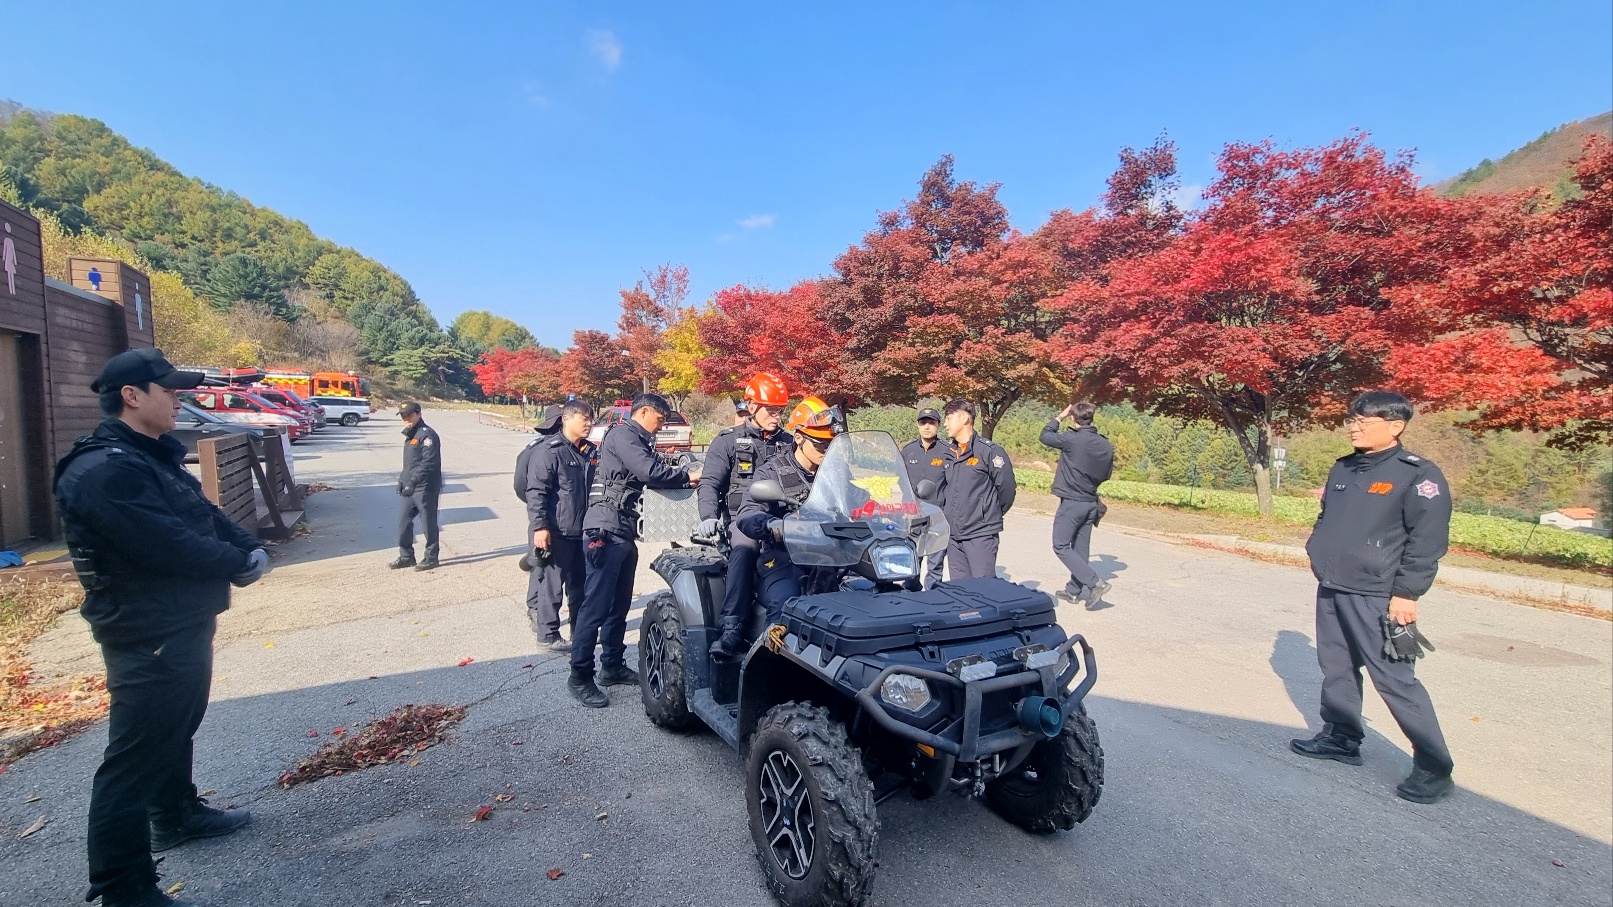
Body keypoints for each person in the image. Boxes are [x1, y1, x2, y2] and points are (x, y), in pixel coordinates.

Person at [54, 348, 268, 907]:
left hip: (179, 619)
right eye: (168, 390)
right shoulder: (104, 471)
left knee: (177, 724)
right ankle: (123, 887)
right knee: (136, 755)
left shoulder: (148, 457)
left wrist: (247, 547)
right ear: (132, 396)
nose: (179, 399)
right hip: (145, 627)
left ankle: (175, 814)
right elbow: (164, 543)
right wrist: (235, 562)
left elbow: (203, 515)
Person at [1290, 390, 1456, 805]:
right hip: (1334, 585)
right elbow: (1327, 516)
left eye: (1364, 421)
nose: (1354, 427)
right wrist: (1317, 548)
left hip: (1379, 594)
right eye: (1352, 420)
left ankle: (1434, 766)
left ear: (1396, 426)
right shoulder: (1344, 468)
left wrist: (1407, 593)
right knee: (1337, 668)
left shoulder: (1417, 475)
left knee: (1395, 679)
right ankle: (1341, 737)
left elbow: (1427, 540)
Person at [568, 393, 700, 707]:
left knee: (619, 605)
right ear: (644, 412)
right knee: (595, 607)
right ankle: (580, 675)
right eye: (660, 419)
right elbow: (649, 472)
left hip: (623, 529)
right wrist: (687, 476)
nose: (662, 425)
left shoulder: (639, 439)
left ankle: (611, 665)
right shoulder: (623, 435)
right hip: (605, 528)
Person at [703, 373, 794, 658]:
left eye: (781, 411)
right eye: (771, 410)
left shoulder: (790, 443)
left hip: (784, 520)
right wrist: (708, 516)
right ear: (752, 407)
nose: (777, 417)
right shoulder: (728, 441)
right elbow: (710, 483)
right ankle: (732, 626)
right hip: (742, 520)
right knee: (744, 549)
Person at [733, 396, 841, 628]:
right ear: (799, 438)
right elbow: (747, 512)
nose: (826, 449)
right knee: (786, 604)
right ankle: (772, 651)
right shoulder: (772, 472)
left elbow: (861, 500)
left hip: (837, 556)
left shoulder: (838, 472)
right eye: (820, 443)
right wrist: (771, 524)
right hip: (786, 557)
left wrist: (888, 512)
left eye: (830, 444)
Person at [524, 399, 597, 652]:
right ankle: (548, 634)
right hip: (557, 530)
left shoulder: (590, 452)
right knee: (552, 586)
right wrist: (540, 527)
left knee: (580, 587)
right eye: (584, 419)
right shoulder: (550, 450)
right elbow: (536, 492)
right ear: (566, 419)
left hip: (583, 531)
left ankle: (580, 632)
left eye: (591, 419)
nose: (589, 424)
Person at [1041, 402, 1115, 608]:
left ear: (1074, 418)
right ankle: (1073, 591)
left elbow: (1045, 436)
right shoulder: (1105, 444)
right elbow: (1107, 474)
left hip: (1072, 502)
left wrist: (1060, 416)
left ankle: (1095, 583)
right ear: (1091, 417)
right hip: (1091, 502)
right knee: (1081, 549)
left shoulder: (1072, 439)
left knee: (1060, 545)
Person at [938, 399, 1016, 581]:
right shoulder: (949, 453)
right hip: (954, 534)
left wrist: (986, 514)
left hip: (980, 534)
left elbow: (1006, 489)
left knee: (983, 587)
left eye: (949, 418)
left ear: (965, 418)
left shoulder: (989, 451)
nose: (945, 424)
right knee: (960, 589)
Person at [390, 402, 443, 571]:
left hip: (425, 487)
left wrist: (412, 482)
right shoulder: (411, 434)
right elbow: (410, 464)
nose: (406, 419)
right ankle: (406, 556)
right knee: (403, 523)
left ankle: (431, 557)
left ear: (418, 413)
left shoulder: (427, 435)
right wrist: (402, 480)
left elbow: (428, 463)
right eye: (403, 416)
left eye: (409, 415)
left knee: (428, 523)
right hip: (410, 487)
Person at [901, 407, 949, 589]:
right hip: (913, 515)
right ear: (918, 425)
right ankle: (910, 594)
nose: (927, 427)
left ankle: (933, 595)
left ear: (938, 425)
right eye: (923, 423)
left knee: (936, 563)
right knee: (912, 560)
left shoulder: (947, 452)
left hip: (938, 515)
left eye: (931, 423)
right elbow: (900, 480)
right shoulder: (908, 451)